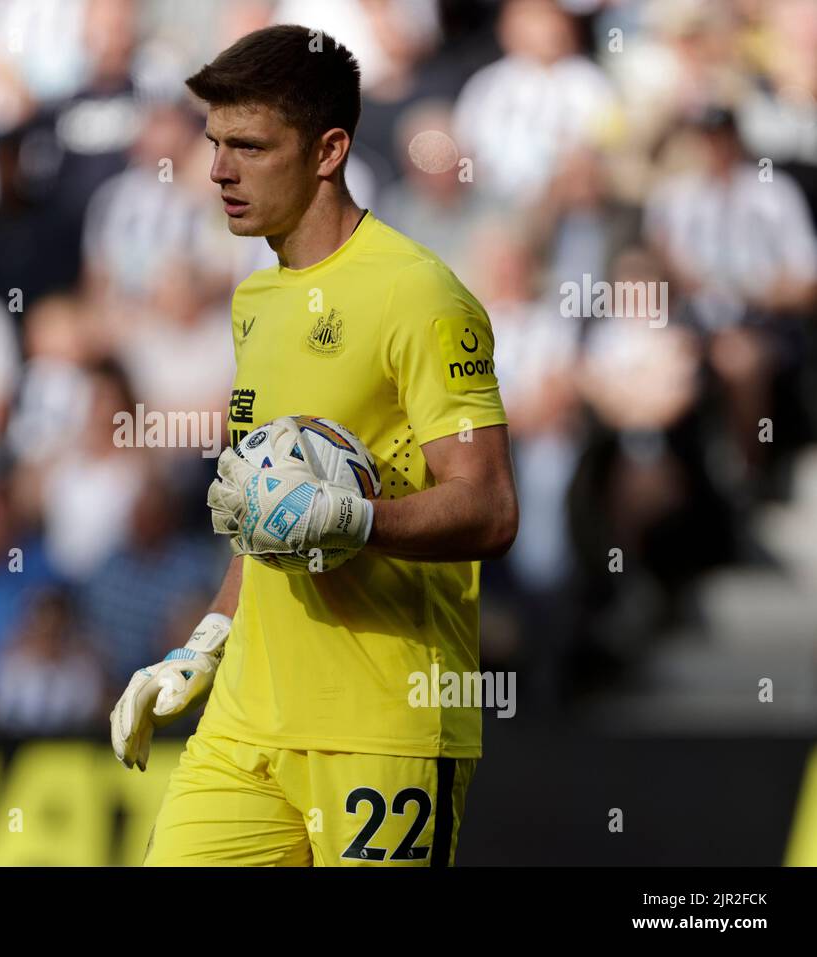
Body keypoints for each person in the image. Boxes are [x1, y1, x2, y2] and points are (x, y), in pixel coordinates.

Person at [110, 24, 518, 867]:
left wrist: (353, 518)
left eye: (250, 146)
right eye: (215, 143)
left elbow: (488, 505)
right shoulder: (254, 300)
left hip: (382, 723)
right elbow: (266, 510)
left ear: (329, 149)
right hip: (246, 723)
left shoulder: (422, 296)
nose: (220, 170)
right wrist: (204, 644)